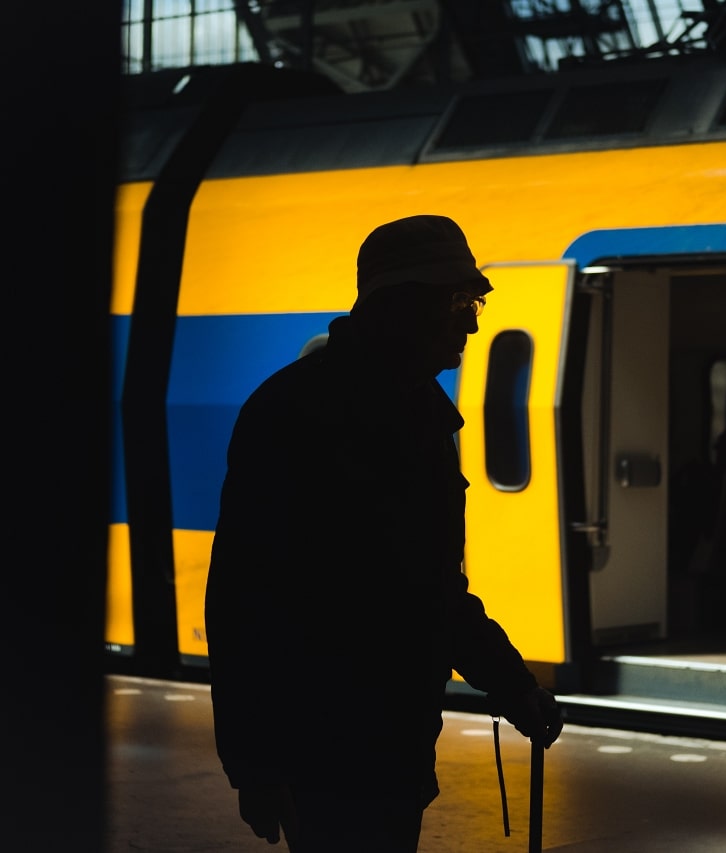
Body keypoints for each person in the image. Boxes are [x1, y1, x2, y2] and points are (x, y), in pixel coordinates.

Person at [204, 214, 564, 851]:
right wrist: (254, 765)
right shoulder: (295, 415)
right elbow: (243, 599)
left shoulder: (421, 414)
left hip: (395, 740)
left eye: (474, 301)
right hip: (325, 747)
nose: (473, 323)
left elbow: (430, 588)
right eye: (457, 302)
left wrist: (513, 684)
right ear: (399, 304)